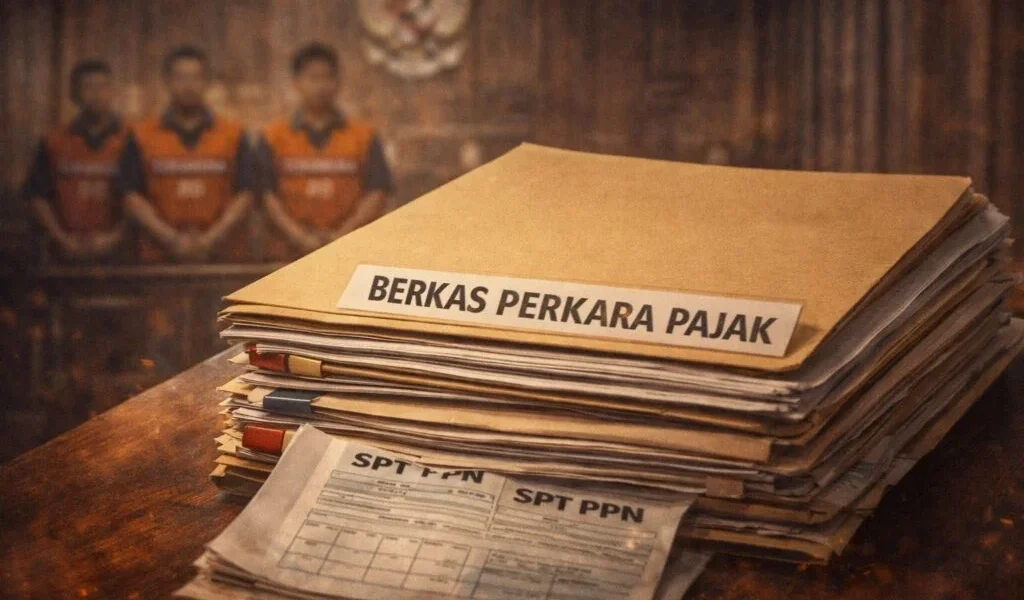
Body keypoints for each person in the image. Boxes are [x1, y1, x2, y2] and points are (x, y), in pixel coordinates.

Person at [118, 45, 256, 263]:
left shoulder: (234, 135)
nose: (188, 85)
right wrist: (171, 239)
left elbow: (245, 194)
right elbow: (131, 195)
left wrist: (209, 239)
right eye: (181, 78)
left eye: (195, 78)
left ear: (207, 82)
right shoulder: (141, 135)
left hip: (221, 259)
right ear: (167, 82)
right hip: (157, 259)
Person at [256, 42, 393, 261]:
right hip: (287, 258)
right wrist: (300, 237)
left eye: (327, 77)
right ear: (297, 83)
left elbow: (377, 192)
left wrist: (342, 236)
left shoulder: (364, 136)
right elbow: (266, 196)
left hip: (349, 254)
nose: (320, 86)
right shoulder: (273, 137)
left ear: (338, 82)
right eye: (312, 78)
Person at [22, 59, 128, 262]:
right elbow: (37, 196)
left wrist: (114, 238)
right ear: (74, 95)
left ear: (112, 92)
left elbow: (141, 198)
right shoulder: (54, 140)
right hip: (65, 248)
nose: (97, 94)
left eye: (103, 87)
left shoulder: (130, 139)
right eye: (89, 87)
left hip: (118, 251)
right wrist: (62, 239)